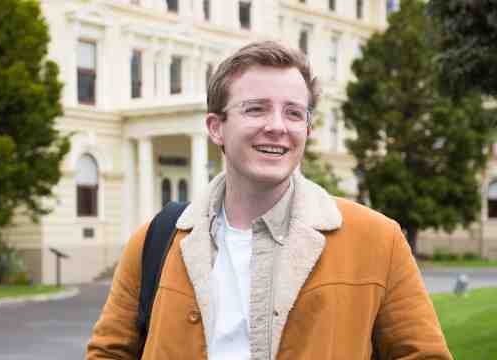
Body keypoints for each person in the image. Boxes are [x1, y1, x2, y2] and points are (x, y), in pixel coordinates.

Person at [86, 41, 451, 359]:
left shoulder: (378, 240)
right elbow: (108, 353)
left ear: (307, 129)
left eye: (294, 113)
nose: (277, 126)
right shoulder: (154, 241)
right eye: (256, 108)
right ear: (216, 128)